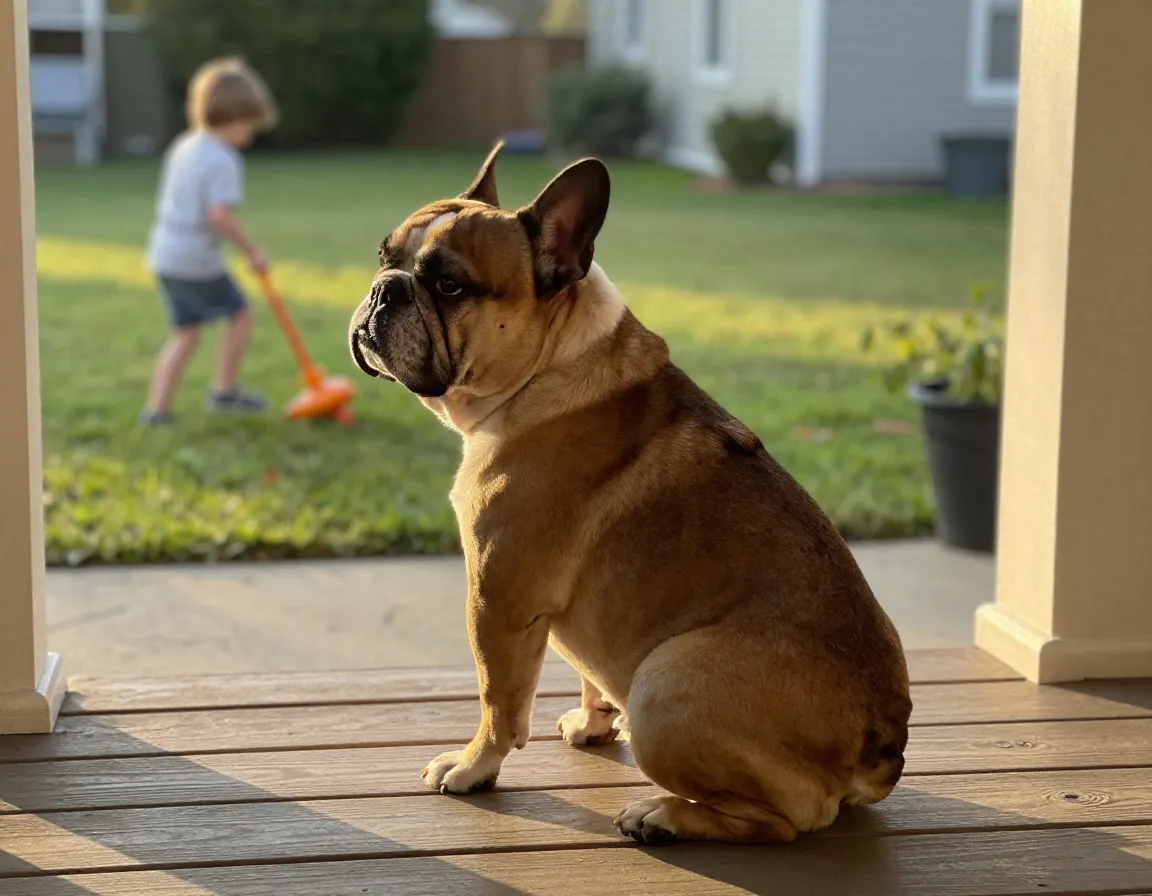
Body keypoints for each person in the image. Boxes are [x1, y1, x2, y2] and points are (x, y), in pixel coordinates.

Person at [140, 57, 278, 425]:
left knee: (185, 333)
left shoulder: (185, 145)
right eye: (249, 124)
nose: (249, 135)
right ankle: (224, 390)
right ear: (233, 116)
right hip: (195, 260)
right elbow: (219, 215)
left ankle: (156, 410)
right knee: (241, 313)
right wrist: (253, 252)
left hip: (165, 256)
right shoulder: (222, 160)